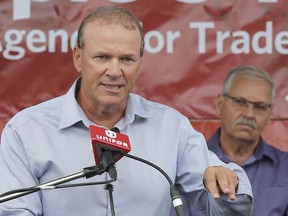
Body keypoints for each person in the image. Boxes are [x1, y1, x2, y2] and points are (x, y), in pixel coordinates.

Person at [0, 6, 252, 216]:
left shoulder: (170, 127)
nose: (114, 71)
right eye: (102, 57)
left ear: (140, 62)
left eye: (126, 59)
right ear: (78, 57)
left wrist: (229, 184)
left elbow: (227, 209)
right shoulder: (26, 131)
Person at [181, 65, 288, 216]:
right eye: (240, 102)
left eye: (260, 106)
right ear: (220, 104)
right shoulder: (187, 163)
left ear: (270, 114)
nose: (249, 113)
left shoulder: (285, 169)